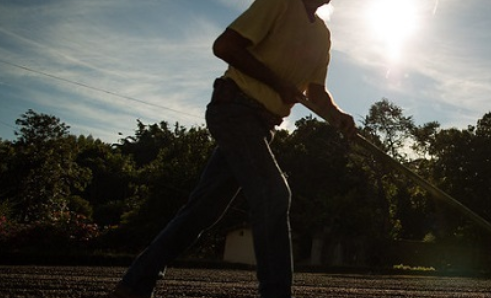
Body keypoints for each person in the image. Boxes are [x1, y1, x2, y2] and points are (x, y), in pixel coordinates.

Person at [108, 0, 355, 297]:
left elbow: (316, 92)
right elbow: (224, 46)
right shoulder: (279, 4)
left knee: (201, 211)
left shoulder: (322, 36)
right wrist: (278, 83)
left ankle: (133, 285)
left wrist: (337, 116)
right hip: (234, 109)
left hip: (261, 126)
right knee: (274, 194)